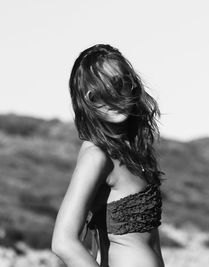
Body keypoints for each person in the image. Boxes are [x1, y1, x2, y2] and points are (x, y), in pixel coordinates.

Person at [51, 44, 166, 267]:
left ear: (133, 86)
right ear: (86, 101)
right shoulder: (96, 156)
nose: (112, 97)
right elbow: (63, 242)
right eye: (97, 95)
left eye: (119, 84)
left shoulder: (131, 150)